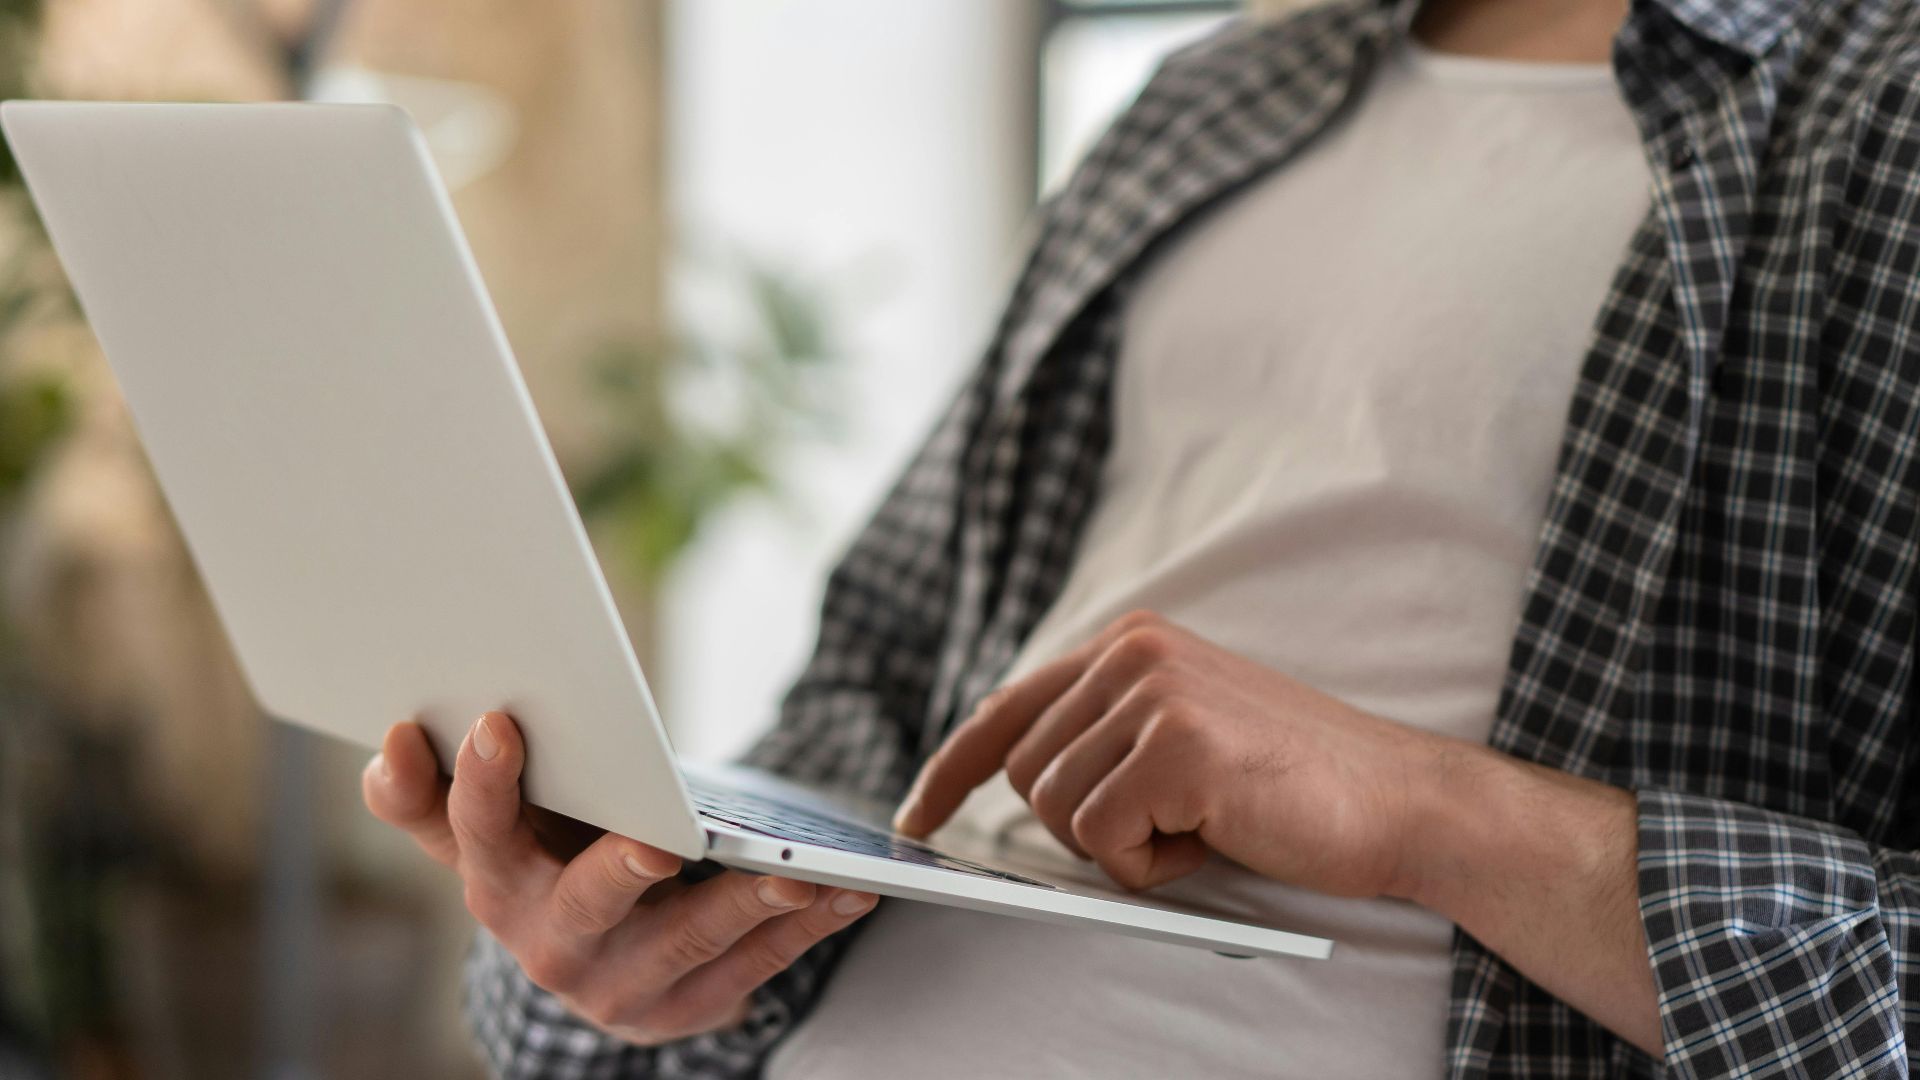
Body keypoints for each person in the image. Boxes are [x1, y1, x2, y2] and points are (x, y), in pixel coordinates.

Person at [362, 0, 1920, 1074]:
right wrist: (627, 943)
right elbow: (867, 704)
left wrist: (1435, 813)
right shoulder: (1204, 102)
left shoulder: (1878, 119)